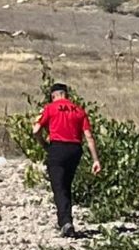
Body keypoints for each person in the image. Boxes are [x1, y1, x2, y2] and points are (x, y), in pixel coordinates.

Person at [32, 82, 101, 237]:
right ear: (66, 95)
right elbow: (89, 137)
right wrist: (96, 160)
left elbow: (36, 130)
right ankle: (66, 220)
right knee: (66, 185)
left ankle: (65, 222)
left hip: (57, 148)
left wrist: (44, 144)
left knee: (58, 187)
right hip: (75, 150)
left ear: (53, 95)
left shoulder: (50, 108)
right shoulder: (79, 110)